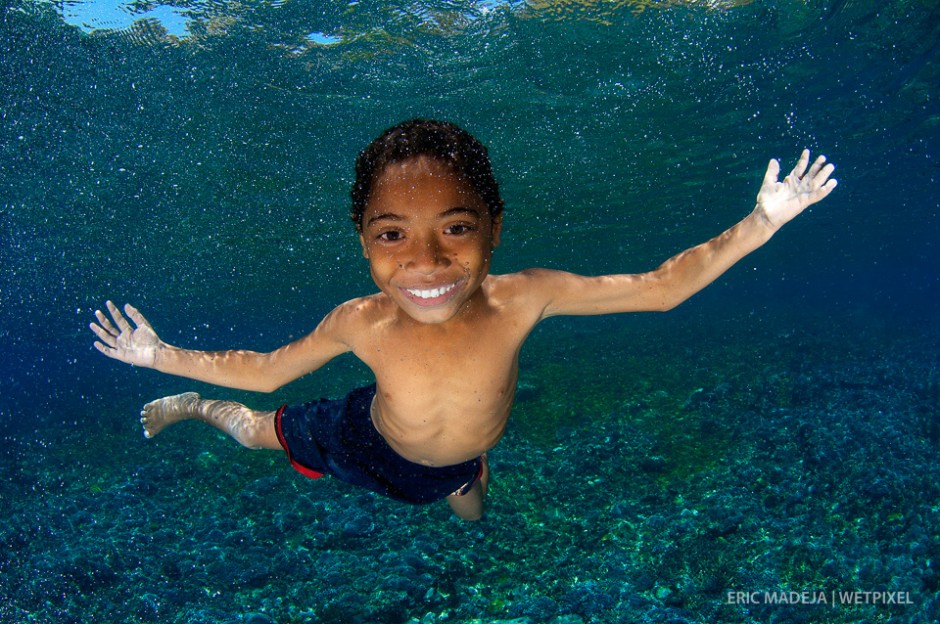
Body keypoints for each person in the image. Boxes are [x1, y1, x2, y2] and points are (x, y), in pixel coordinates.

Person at [90, 119, 837, 521]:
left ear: (494, 227)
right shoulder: (362, 321)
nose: (425, 261)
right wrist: (163, 357)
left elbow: (660, 288)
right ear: (364, 242)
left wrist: (761, 222)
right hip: (362, 439)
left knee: (472, 515)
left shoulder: (525, 296)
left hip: (448, 462)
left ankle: (464, 471)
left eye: (454, 228)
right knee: (257, 429)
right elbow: (262, 371)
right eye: (392, 235)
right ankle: (191, 411)